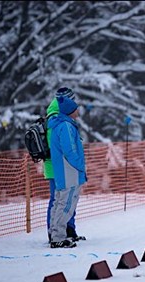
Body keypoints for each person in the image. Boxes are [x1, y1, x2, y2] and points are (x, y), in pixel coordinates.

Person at [44, 87, 85, 243]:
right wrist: (79, 164)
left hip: (60, 166)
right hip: (60, 167)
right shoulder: (58, 120)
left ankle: (67, 231)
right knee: (60, 200)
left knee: (63, 200)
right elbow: (63, 148)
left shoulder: (59, 118)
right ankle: (56, 234)